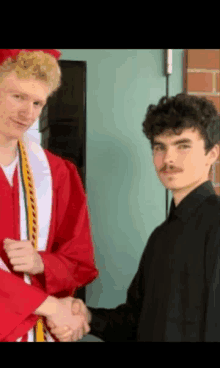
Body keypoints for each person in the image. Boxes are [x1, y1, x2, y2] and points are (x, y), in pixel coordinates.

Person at [48, 93, 220, 342]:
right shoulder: (161, 236)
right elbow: (135, 322)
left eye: (182, 145)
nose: (168, 159)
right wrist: (86, 317)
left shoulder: (215, 224)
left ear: (212, 153)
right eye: (160, 147)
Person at [0, 49, 99, 342]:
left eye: (37, 102)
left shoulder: (57, 174)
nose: (27, 113)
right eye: (17, 96)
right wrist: (51, 307)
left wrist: (42, 263)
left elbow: (80, 264)